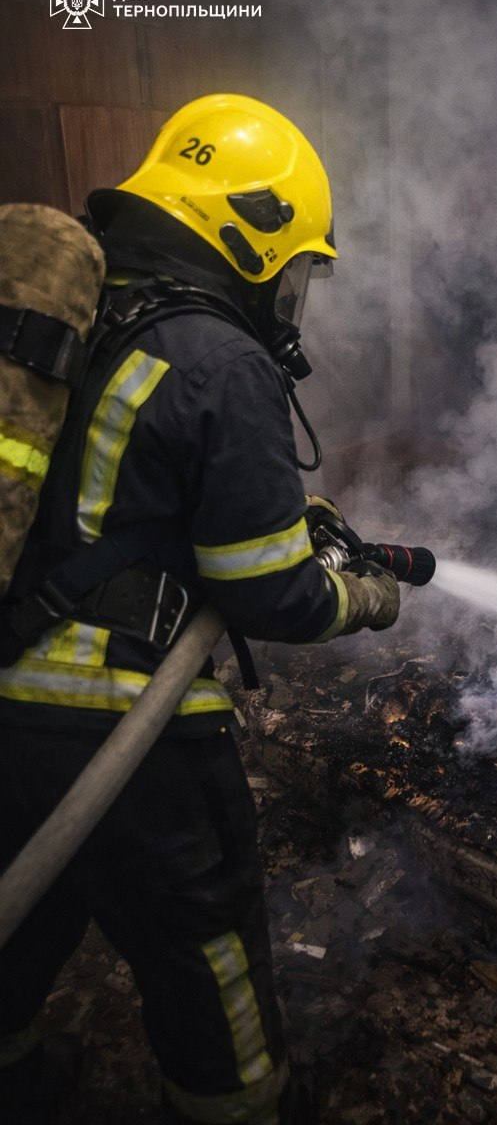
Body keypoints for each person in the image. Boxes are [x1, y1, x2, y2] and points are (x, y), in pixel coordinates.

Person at [0, 93, 400, 1125]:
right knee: (203, 941)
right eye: (300, 264)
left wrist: (276, 510)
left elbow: (112, 497)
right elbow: (271, 592)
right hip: (130, 726)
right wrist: (360, 600)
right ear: (248, 232)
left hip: (12, 690)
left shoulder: (85, 315)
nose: (298, 291)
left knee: (25, 913)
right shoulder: (222, 358)